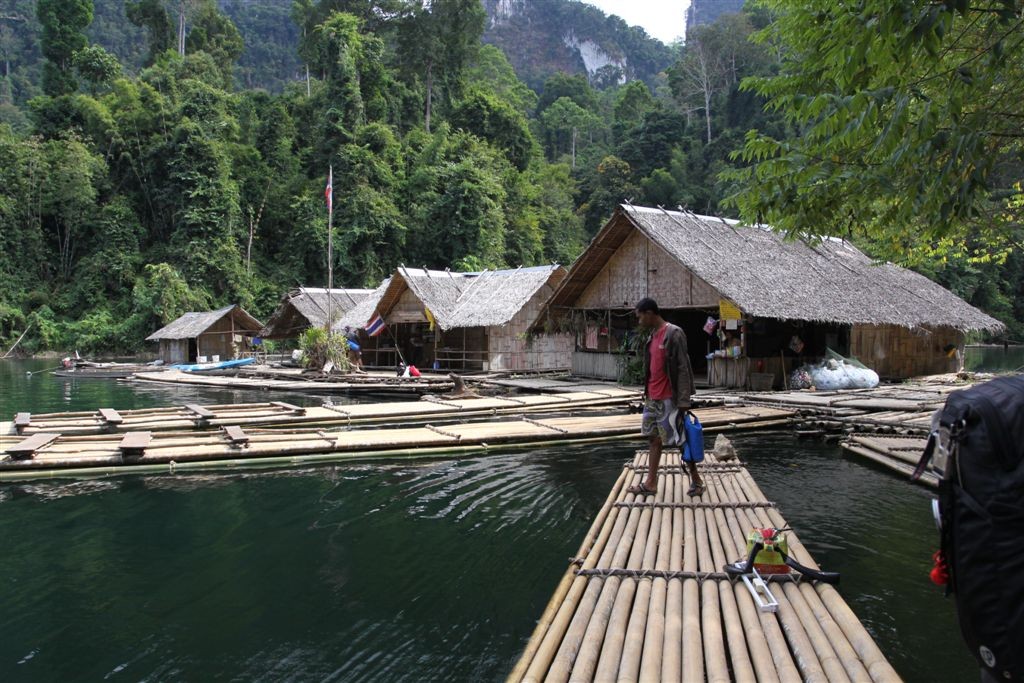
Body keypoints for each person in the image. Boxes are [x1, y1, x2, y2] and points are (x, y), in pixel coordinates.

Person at [629, 297, 703, 497]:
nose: (639, 321)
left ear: (650, 313)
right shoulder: (652, 336)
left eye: (640, 317)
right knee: (653, 439)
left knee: (680, 440)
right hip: (652, 398)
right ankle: (651, 483)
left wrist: (684, 401)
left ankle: (696, 481)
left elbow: (682, 367)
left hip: (669, 398)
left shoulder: (673, 333)